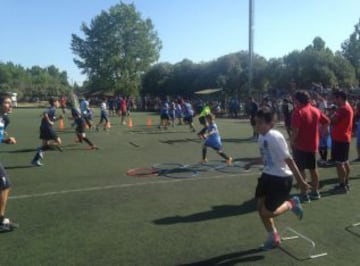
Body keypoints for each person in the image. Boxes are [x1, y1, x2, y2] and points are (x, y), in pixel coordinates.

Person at [245, 107, 309, 250]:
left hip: (281, 179)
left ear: (270, 124)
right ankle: (273, 237)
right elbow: (266, 157)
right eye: (256, 123)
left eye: (261, 123)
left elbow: (289, 160)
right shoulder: (262, 137)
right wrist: (251, 163)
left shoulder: (275, 137)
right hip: (267, 176)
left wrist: (301, 181)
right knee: (260, 208)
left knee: (266, 212)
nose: (257, 126)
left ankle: (291, 203)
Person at [290, 90, 330, 202]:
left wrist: (291, 141)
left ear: (298, 100)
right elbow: (327, 121)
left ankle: (304, 194)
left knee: (301, 170)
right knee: (313, 169)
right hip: (313, 146)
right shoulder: (315, 110)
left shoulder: (297, 112)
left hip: (300, 146)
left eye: (295, 100)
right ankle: (315, 192)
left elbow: (296, 131)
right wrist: (323, 132)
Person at [0, 93, 19, 232]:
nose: (10, 105)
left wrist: (5, 140)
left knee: (5, 185)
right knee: (5, 185)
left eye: (10, 102)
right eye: (7, 102)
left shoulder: (5, 119)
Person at [330, 89, 354, 193]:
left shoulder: (343, 109)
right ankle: (346, 183)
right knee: (345, 162)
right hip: (344, 138)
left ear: (340, 98)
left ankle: (342, 185)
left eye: (335, 98)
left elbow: (333, 120)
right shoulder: (347, 107)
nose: (333, 100)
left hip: (340, 139)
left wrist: (332, 115)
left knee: (340, 163)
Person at [31, 97, 63, 167]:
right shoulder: (52, 108)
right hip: (47, 128)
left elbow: (51, 119)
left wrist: (58, 118)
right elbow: (45, 113)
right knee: (58, 142)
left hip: (43, 127)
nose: (59, 103)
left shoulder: (52, 109)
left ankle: (35, 160)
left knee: (45, 144)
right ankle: (41, 149)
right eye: (58, 102)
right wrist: (49, 122)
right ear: (54, 103)